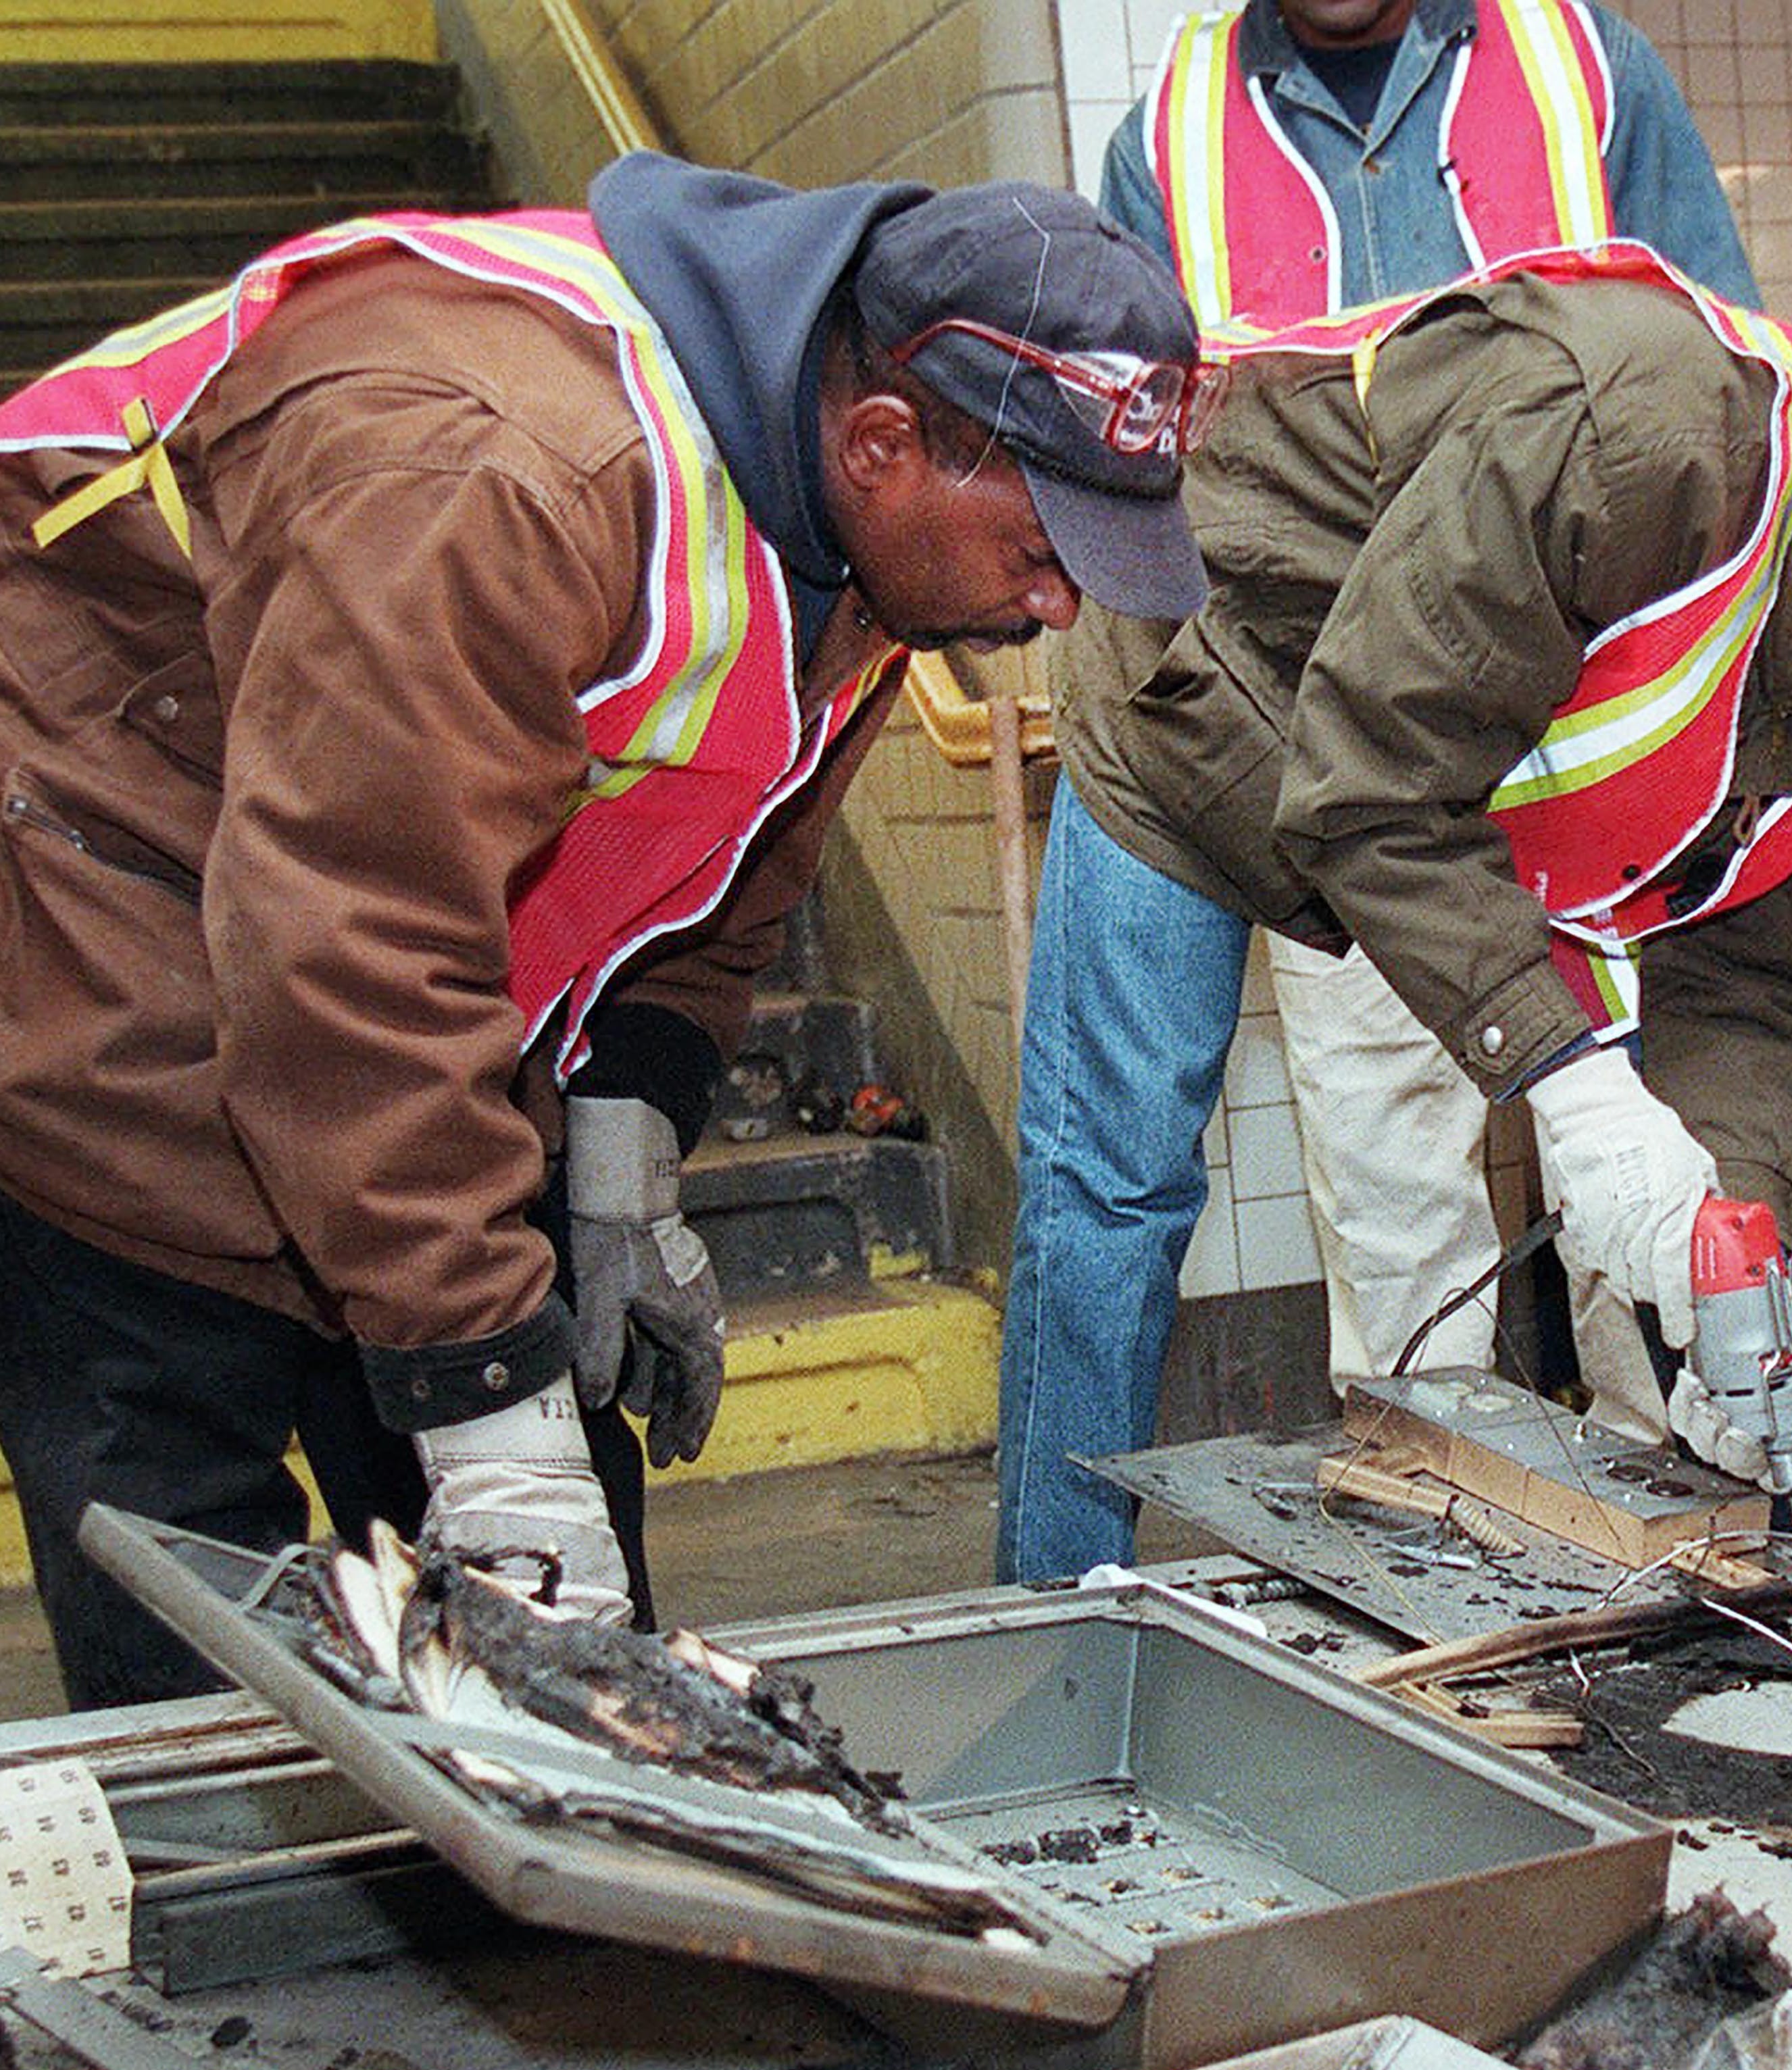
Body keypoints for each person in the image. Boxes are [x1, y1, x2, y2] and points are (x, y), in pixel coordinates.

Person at [0, 154, 1206, 1709]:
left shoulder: (867, 542)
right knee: (218, 1690)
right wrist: (491, 1422)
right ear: (885, 443)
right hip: (106, 954)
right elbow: (348, 952)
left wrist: (616, 1157)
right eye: (1047, 551)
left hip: (363, 990)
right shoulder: (499, 472)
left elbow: (731, 872)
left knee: (557, 1658)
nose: (1062, 608)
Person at [1006, 246, 1792, 1579]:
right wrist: (1580, 1097)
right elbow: (1374, 790)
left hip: (1420, 778)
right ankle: (1050, 1610)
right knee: (1115, 1189)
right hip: (1202, 685)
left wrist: (1722, 1253)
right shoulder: (1636, 440)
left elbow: (1762, 982)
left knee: (1731, 1230)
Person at [1002, 0, 1760, 1580]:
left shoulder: (1581, 67)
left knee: (1630, 1143)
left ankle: (1693, 1562)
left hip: (1549, 727)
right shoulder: (1173, 125)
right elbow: (1117, 441)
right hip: (1283, 715)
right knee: (1376, 1182)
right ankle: (1444, 1571)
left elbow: (1722, 384)